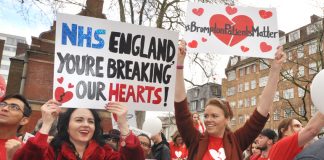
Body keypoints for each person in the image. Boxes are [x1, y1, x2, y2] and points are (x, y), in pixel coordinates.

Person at [174, 40, 286, 160]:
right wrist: (179, 63)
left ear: (227, 119)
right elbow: (181, 110)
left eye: (214, 116)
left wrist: (275, 69)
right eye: (206, 116)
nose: (208, 120)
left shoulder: (237, 141)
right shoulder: (195, 140)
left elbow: (262, 111)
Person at [11, 100, 144, 160]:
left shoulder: (106, 153)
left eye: (90, 121)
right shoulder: (52, 152)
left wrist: (123, 124)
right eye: (79, 120)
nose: (86, 124)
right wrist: (46, 125)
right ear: (67, 126)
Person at [0, 94, 31, 160]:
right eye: (2, 104)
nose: (4, 108)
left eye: (14, 107)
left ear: (24, 120)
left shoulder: (23, 151)